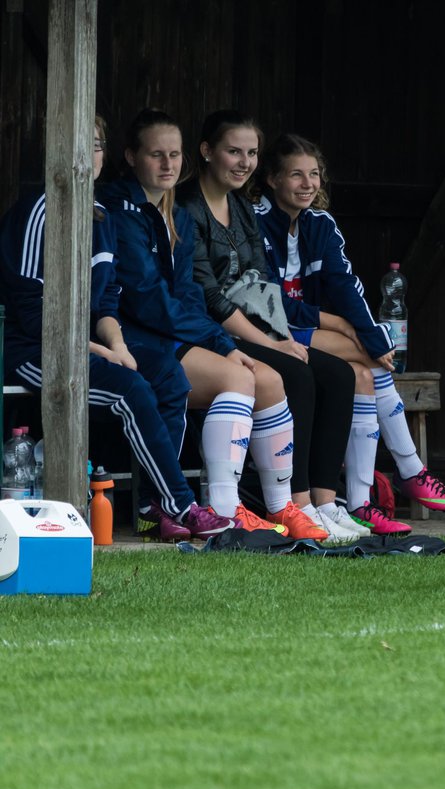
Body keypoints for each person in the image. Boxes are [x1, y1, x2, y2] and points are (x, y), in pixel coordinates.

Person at [0, 115, 232, 541]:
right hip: (33, 351)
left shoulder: (102, 216)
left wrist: (118, 344)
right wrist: (105, 355)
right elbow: (34, 316)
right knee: (131, 388)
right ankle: (182, 505)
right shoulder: (39, 210)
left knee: (167, 374)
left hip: (89, 346)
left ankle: (151, 508)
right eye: (78, 144)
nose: (89, 154)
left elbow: (107, 301)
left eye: (96, 145)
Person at [98, 108, 326, 541]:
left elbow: (186, 295)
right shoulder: (120, 211)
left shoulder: (176, 217)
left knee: (268, 379)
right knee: (238, 377)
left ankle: (284, 510)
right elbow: (149, 301)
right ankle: (226, 508)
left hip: (173, 334)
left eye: (174, 155)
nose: (168, 165)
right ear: (130, 156)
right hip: (133, 339)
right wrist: (220, 342)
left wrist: (220, 340)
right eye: (156, 155)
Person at [255, 134, 445, 532]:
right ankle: (409, 469)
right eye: (296, 175)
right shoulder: (255, 220)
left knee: (367, 373)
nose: (307, 184)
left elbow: (345, 285)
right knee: (367, 358)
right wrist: (341, 325)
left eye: (314, 174)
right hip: (267, 331)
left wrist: (367, 331)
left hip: (305, 326)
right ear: (272, 179)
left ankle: (361, 502)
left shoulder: (320, 223)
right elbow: (268, 301)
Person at [177, 110, 366, 544]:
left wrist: (281, 336)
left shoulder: (243, 208)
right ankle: (294, 505)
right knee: (295, 373)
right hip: (213, 330)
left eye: (251, 153)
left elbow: (264, 284)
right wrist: (273, 345)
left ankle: (324, 502)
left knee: (337, 373)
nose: (244, 162)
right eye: (233, 151)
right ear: (207, 152)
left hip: (253, 327)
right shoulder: (188, 207)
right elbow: (210, 295)